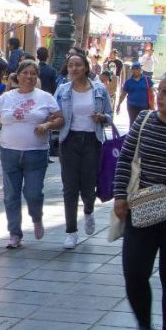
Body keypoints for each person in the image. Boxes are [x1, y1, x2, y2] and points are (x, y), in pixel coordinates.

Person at [111, 69, 166, 330]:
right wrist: (120, 196)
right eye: (159, 90)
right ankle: (144, 327)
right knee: (134, 271)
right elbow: (125, 158)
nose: (159, 96)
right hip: (142, 207)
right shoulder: (144, 120)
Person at [0, 58, 63, 245]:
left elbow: (60, 119)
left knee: (34, 193)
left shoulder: (45, 97)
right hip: (9, 153)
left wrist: (47, 125)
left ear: (37, 76)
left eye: (33, 73)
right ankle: (14, 233)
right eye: (25, 73)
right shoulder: (6, 98)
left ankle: (36, 217)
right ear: (17, 75)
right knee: (11, 195)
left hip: (36, 153)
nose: (29, 77)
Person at [54, 52, 113, 248]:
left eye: (78, 65)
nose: (74, 68)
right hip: (69, 140)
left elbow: (109, 116)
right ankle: (71, 231)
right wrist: (49, 123)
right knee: (70, 188)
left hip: (92, 141)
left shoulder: (99, 89)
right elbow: (53, 113)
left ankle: (88, 210)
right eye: (71, 65)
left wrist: (102, 117)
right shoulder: (62, 90)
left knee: (88, 187)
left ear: (86, 67)